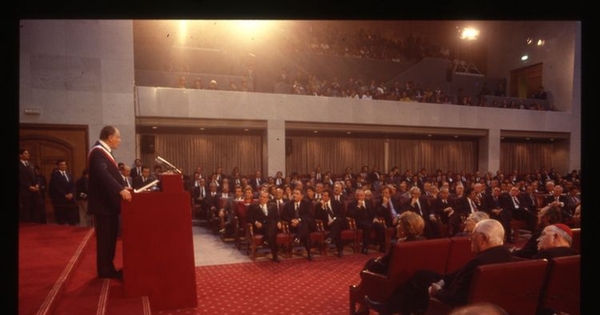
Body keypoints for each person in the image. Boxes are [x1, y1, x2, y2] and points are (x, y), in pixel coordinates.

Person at [365, 219, 512, 315]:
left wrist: (438, 290)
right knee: (422, 275)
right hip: (488, 300)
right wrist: (444, 280)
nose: (469, 239)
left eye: (473, 235)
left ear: (484, 238)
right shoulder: (506, 256)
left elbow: (455, 299)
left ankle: (393, 309)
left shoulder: (478, 263)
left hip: (456, 303)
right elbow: (458, 274)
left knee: (419, 283)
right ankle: (398, 308)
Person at [87, 126, 132, 279]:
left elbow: (110, 175)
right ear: (109, 137)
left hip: (109, 205)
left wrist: (123, 186)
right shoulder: (97, 153)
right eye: (118, 137)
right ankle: (105, 271)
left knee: (110, 238)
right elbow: (103, 175)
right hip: (103, 205)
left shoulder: (104, 152)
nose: (119, 140)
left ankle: (108, 268)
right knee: (105, 239)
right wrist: (120, 190)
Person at [247, 191, 282, 262]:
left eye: (264, 197)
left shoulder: (273, 206)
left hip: (272, 226)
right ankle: (275, 254)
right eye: (260, 196)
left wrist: (279, 222)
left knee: (272, 224)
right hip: (261, 227)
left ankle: (267, 239)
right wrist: (256, 222)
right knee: (272, 232)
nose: (262, 198)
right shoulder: (253, 206)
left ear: (268, 199)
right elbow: (248, 218)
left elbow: (277, 217)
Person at [314, 189, 348, 257]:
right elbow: (317, 217)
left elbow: (341, 214)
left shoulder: (336, 203)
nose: (323, 197)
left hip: (339, 222)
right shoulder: (319, 205)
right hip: (328, 225)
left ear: (329, 197)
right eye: (322, 196)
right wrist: (322, 208)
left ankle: (330, 237)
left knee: (336, 223)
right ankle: (339, 250)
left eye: (325, 196)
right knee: (337, 229)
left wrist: (334, 220)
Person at [49, 159, 79, 225]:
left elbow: (73, 185)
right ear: (58, 166)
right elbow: (56, 187)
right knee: (61, 219)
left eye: (64, 164)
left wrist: (71, 193)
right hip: (61, 200)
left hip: (70, 199)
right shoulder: (55, 175)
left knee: (72, 218)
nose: (64, 166)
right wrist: (65, 195)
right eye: (62, 165)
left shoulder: (69, 174)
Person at [348, 188, 377, 254]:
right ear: (356, 196)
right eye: (358, 195)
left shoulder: (368, 202)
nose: (359, 197)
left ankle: (382, 245)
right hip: (359, 222)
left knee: (380, 226)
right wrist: (358, 206)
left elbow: (374, 212)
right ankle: (365, 247)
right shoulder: (352, 204)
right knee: (368, 226)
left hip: (370, 221)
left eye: (361, 195)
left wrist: (375, 218)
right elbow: (351, 215)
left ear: (364, 196)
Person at [19, 148, 44, 223]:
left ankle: (35, 224)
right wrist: (29, 187)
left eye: (28, 153)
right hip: (25, 192)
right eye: (26, 153)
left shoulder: (31, 164)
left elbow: (36, 177)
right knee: (27, 209)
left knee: (36, 208)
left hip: (35, 191)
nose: (28, 154)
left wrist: (37, 184)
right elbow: (20, 180)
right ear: (20, 155)